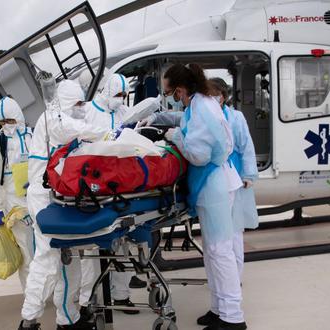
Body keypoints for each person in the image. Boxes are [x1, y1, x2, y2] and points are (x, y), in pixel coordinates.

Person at [161, 64, 247, 330]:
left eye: (168, 92)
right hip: (217, 182)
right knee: (212, 251)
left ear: (179, 90)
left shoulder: (201, 108)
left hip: (216, 185)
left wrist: (175, 137)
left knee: (221, 251)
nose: (169, 98)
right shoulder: (201, 103)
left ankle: (233, 317)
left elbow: (198, 154)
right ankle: (219, 308)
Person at [20, 79, 110, 330]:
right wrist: (105, 132)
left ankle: (68, 319)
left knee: (68, 261)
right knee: (47, 259)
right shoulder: (52, 120)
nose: (83, 107)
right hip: (44, 199)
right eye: (79, 103)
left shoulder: (62, 120)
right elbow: (72, 128)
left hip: (59, 197)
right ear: (68, 103)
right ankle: (29, 320)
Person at [78, 73, 161, 314]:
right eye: (117, 95)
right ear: (106, 92)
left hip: (121, 185)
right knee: (92, 251)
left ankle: (121, 296)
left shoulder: (124, 111)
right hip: (96, 185)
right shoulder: (89, 111)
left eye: (124, 95)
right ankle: (88, 300)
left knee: (123, 242)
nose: (121, 99)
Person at [197, 78, 258, 327]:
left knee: (232, 241)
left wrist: (249, 175)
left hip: (235, 181)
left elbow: (246, 147)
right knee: (217, 247)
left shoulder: (235, 117)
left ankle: (234, 289)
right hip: (215, 186)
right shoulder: (205, 116)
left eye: (214, 95)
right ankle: (220, 305)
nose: (211, 99)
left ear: (223, 95)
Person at [0, 96, 35, 323]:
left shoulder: (32, 135)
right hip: (13, 205)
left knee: (43, 249)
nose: (7, 124)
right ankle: (31, 296)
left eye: (11, 119)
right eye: (3, 120)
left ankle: (45, 289)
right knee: (25, 251)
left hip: (36, 200)